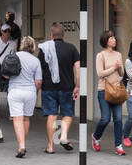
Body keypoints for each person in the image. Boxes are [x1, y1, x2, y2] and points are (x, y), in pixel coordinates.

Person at [38, 23, 79, 153]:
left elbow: (39, 69)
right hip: (67, 87)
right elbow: (78, 68)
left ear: (51, 35)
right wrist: (77, 85)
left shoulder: (44, 49)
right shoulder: (71, 48)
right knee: (67, 113)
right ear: (63, 35)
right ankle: (64, 136)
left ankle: (50, 146)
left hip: (48, 87)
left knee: (52, 115)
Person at [6, 36, 43, 157]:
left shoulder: (14, 56)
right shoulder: (36, 60)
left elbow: (6, 75)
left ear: (21, 45)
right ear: (33, 46)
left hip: (15, 91)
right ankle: (22, 144)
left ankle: (21, 146)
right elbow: (38, 82)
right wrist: (35, 91)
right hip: (30, 92)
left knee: (17, 119)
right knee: (26, 119)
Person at [92, 30, 126, 155]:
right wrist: (113, 68)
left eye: (114, 38)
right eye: (111, 38)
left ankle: (119, 145)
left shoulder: (118, 54)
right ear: (105, 40)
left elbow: (122, 74)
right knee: (105, 119)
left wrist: (120, 67)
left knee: (118, 119)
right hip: (104, 90)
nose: (114, 40)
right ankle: (96, 137)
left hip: (117, 90)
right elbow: (100, 74)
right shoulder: (100, 55)